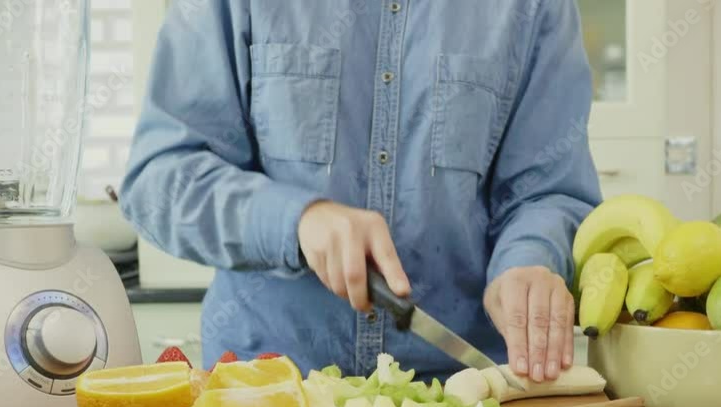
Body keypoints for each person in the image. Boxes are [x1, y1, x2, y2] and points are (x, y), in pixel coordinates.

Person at [121, 0, 602, 382]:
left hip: (467, 395)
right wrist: (296, 220)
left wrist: (529, 258)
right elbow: (160, 179)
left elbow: (548, 192)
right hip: (268, 392)